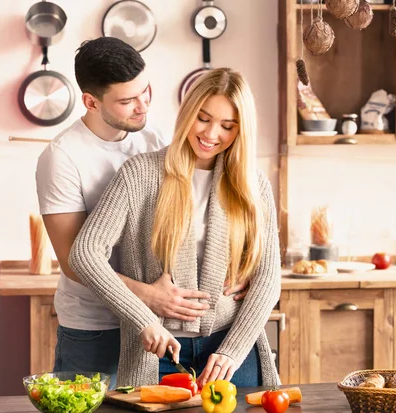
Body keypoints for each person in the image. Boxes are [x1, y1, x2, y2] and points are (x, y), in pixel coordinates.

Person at [36, 37, 247, 387]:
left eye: (145, 90)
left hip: (155, 324)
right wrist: (149, 295)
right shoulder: (62, 158)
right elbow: (75, 263)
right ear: (91, 101)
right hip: (96, 326)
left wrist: (242, 269)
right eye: (127, 100)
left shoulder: (153, 136)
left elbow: (190, 218)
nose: (142, 105)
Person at [69, 67, 282, 388]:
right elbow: (85, 254)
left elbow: (268, 278)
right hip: (158, 353)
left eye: (227, 126)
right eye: (203, 118)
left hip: (231, 350)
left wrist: (232, 352)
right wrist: (142, 319)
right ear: (187, 112)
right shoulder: (139, 174)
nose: (211, 134)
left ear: (240, 130)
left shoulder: (253, 185)